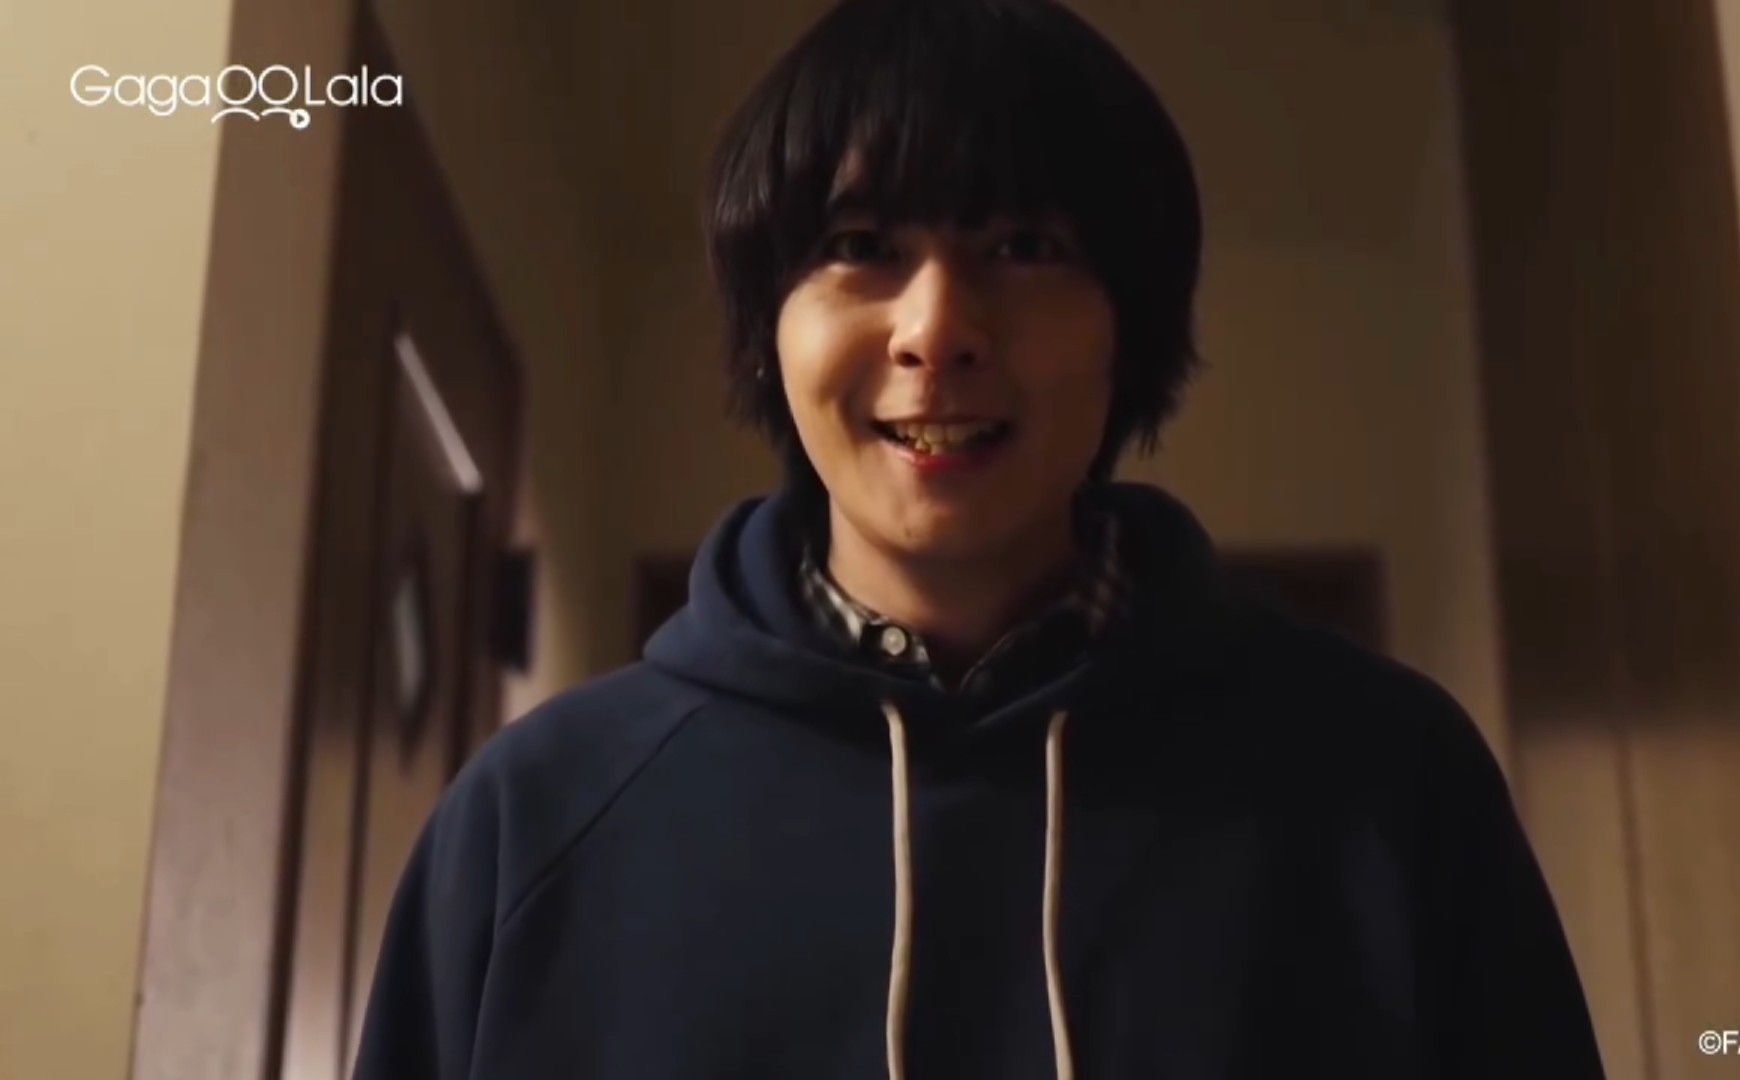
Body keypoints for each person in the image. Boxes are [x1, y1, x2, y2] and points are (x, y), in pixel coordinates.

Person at [353, 0, 1604, 1076]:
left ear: (1131, 328)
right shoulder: (533, 819)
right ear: (768, 331)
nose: (937, 329)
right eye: (860, 250)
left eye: (1023, 248)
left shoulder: (1388, 785)